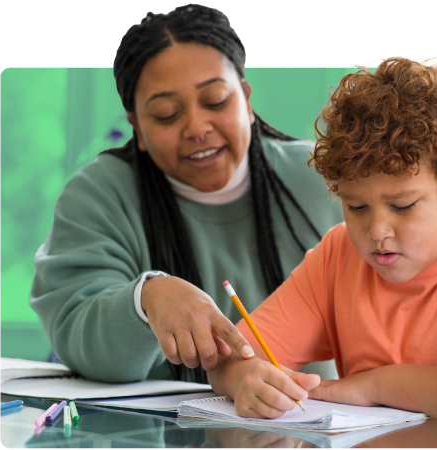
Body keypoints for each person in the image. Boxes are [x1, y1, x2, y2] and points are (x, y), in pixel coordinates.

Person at [207, 51, 437, 429]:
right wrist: (243, 378)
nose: (376, 232)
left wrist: (376, 385)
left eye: (402, 206)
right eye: (355, 206)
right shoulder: (338, 255)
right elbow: (231, 357)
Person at [29, 4, 344, 384]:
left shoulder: (327, 176)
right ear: (138, 129)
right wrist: (146, 300)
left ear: (245, 100)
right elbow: (79, 337)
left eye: (215, 101)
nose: (197, 127)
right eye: (165, 114)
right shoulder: (98, 195)